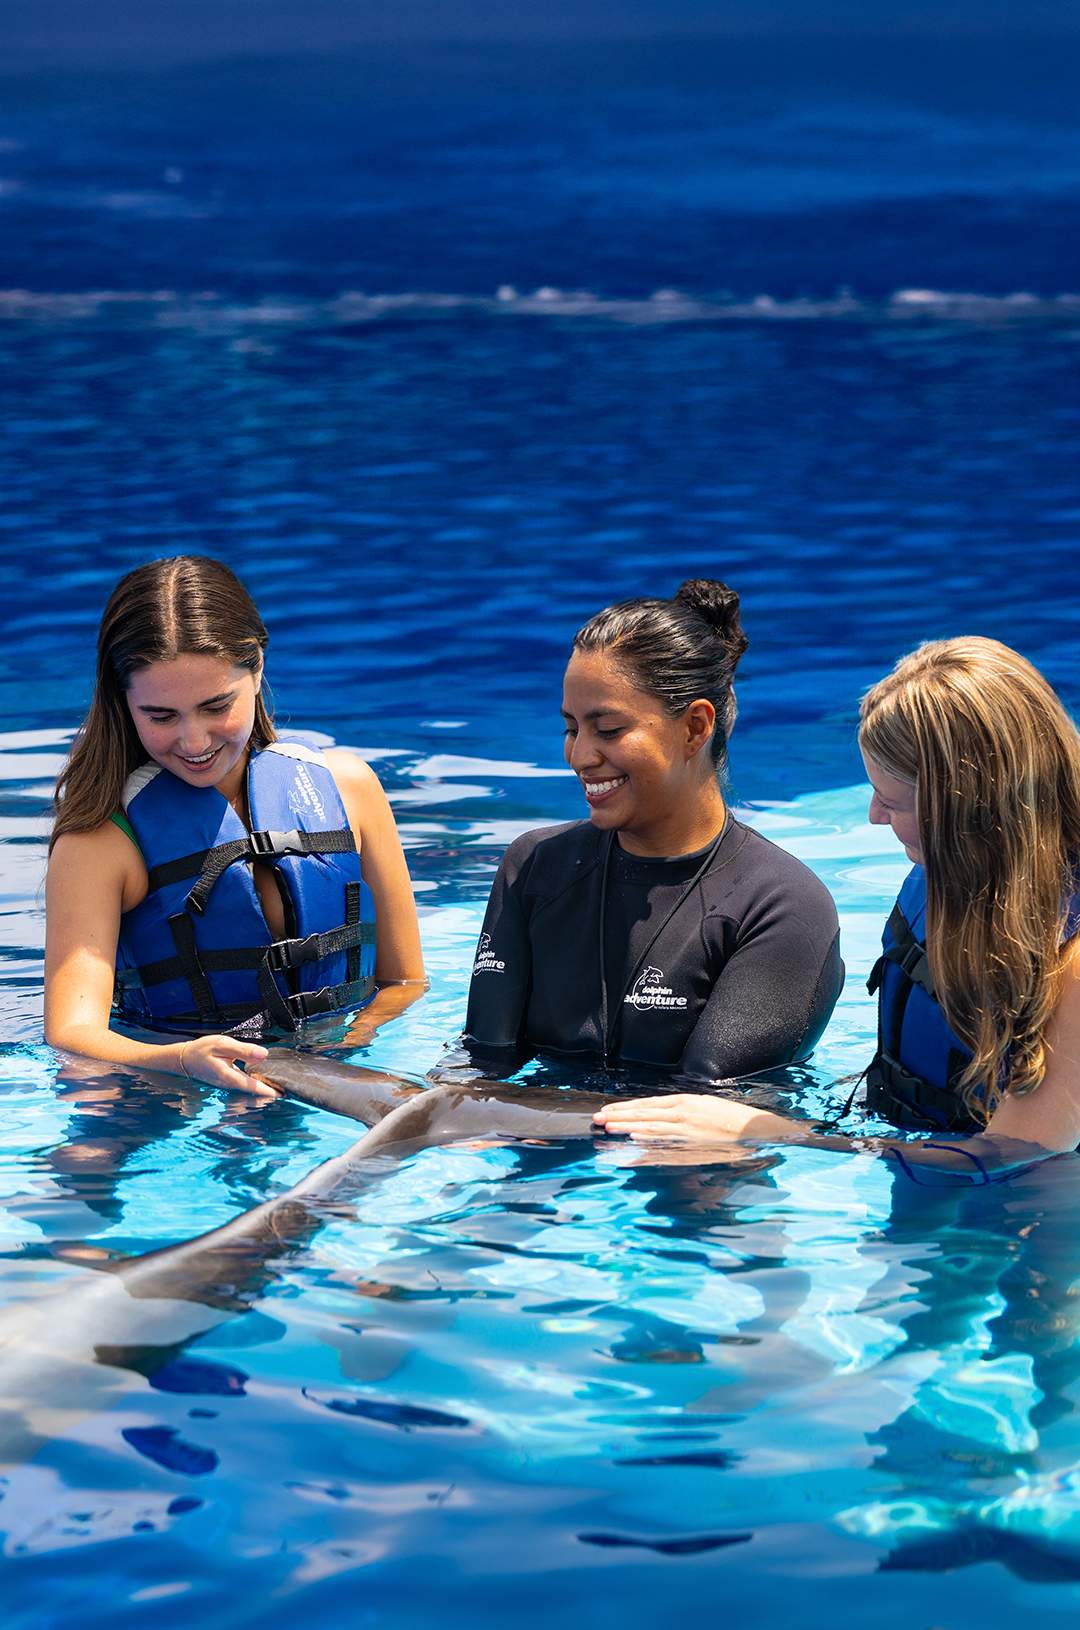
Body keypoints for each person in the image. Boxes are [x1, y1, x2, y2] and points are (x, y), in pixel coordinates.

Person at [595, 637, 1080, 1168]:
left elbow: (1020, 1153)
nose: (874, 816)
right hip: (919, 1157)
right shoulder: (956, 873)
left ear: (970, 808)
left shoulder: (1071, 958)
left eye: (893, 802)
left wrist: (786, 1135)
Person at [45, 555, 425, 1095]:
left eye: (216, 705)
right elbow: (72, 1034)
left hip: (348, 1065)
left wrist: (341, 1058)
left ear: (258, 669)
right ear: (122, 700)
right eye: (161, 716)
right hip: (172, 1091)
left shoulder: (350, 788)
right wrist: (183, 1060)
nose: (194, 741)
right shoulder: (100, 842)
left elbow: (405, 980)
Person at [461, 579, 844, 1083]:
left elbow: (704, 1110)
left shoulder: (781, 906)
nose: (580, 756)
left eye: (609, 730)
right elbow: (478, 1069)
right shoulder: (535, 866)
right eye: (571, 728)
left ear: (695, 727)